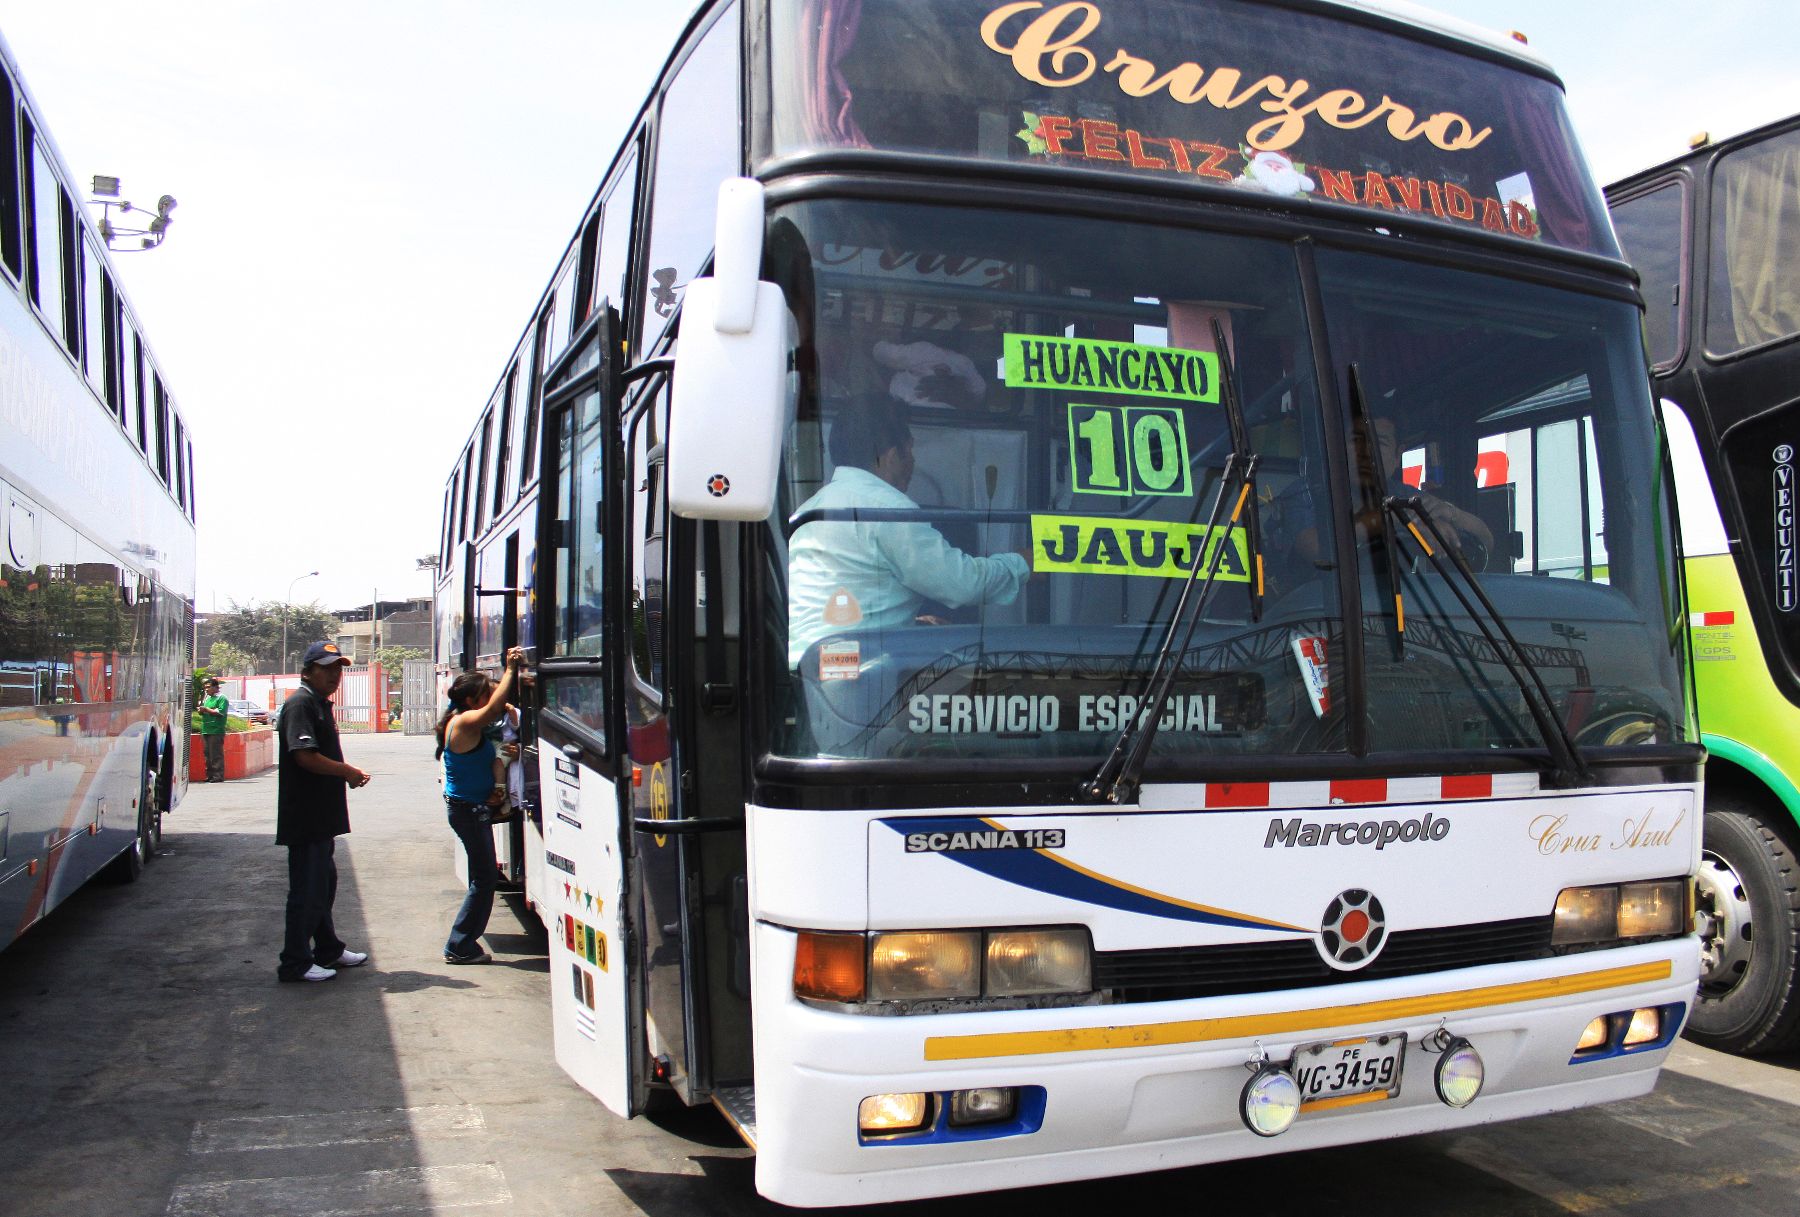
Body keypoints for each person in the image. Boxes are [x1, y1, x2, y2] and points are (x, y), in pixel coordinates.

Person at [788, 395, 1031, 666]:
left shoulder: (809, 509)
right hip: (856, 676)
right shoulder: (888, 509)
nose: (913, 462)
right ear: (891, 455)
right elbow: (962, 584)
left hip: (805, 669)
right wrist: (1023, 564)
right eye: (910, 450)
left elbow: (844, 593)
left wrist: (912, 624)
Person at [275, 641, 373, 983]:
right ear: (308, 671)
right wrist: (346, 771)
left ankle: (328, 948)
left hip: (321, 818)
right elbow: (305, 756)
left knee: (323, 885)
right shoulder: (300, 704)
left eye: (339, 669)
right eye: (327, 668)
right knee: (307, 891)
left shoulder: (317, 704)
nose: (335, 675)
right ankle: (295, 962)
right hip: (306, 817)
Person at [437, 646, 525, 965]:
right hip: (468, 812)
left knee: (483, 876)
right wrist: (511, 670)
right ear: (474, 703)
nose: (492, 697)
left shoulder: (467, 720)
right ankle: (459, 944)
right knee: (484, 878)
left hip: (472, 809)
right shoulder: (464, 723)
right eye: (485, 694)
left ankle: (461, 942)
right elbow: (492, 712)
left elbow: (499, 716)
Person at [198, 678, 230, 782]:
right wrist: (201, 711)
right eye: (205, 687)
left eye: (208, 687)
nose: (206, 689)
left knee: (216, 754)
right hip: (206, 730)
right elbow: (206, 711)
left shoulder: (222, 698)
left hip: (216, 730)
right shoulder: (207, 699)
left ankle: (218, 776)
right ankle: (210, 775)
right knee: (207, 755)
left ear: (216, 687)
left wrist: (206, 709)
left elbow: (221, 712)